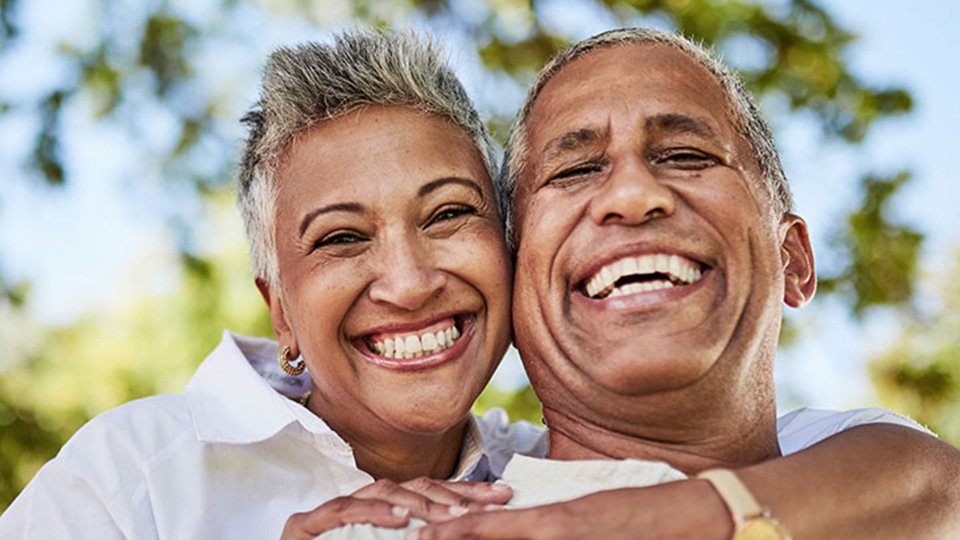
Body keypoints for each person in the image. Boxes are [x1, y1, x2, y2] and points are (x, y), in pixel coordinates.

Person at [304, 28, 960, 540]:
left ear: (794, 260)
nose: (633, 194)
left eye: (685, 156)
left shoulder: (889, 486)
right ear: (513, 273)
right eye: (576, 169)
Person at [0, 30, 534, 538]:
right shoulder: (130, 477)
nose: (410, 284)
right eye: (341, 238)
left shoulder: (569, 473)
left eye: (448, 214)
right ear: (281, 312)